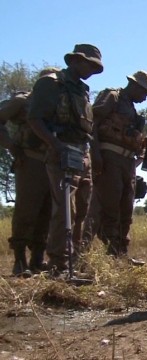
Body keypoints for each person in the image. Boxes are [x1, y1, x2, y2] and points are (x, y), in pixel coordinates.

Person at [27, 44, 104, 273]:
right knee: (65, 209)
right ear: (75, 61)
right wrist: (56, 146)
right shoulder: (51, 83)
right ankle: (59, 263)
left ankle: (76, 261)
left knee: (82, 209)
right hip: (63, 150)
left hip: (83, 152)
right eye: (88, 64)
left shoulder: (82, 89)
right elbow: (35, 119)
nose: (91, 69)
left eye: (94, 66)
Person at [80, 70, 147, 265]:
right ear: (135, 86)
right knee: (108, 206)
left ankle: (120, 254)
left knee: (125, 208)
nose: (145, 98)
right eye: (144, 93)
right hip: (109, 158)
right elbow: (92, 123)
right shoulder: (112, 96)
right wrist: (95, 153)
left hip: (127, 163)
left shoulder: (131, 108)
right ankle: (99, 253)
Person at [0, 67, 59, 275]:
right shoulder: (23, 101)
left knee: (46, 212)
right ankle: (19, 261)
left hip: (52, 164)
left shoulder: (58, 104)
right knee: (26, 210)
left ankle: (37, 259)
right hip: (30, 161)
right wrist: (10, 145)